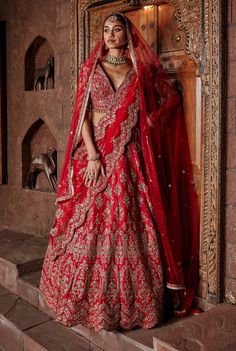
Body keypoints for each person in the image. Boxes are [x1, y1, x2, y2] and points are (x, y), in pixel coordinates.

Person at [40, 13, 199, 331]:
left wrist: (148, 125)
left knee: (127, 220)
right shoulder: (91, 68)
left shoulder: (140, 71)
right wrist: (95, 155)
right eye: (106, 30)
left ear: (128, 35)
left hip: (129, 156)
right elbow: (82, 116)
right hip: (96, 154)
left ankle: (131, 305)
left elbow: (168, 98)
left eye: (117, 29)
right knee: (89, 223)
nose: (111, 34)